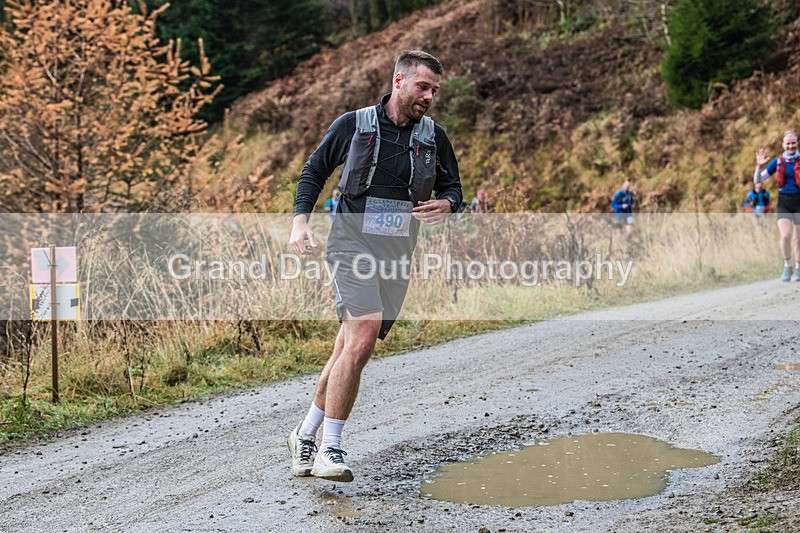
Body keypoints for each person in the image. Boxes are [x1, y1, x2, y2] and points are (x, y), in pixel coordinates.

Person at [287, 50, 462, 482]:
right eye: (423, 86)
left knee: (348, 346)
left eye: (435, 90)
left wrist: (448, 203)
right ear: (399, 81)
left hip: (398, 251)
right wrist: (299, 223)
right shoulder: (353, 124)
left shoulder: (434, 136)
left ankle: (304, 433)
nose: (429, 96)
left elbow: (453, 187)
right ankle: (331, 448)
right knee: (363, 335)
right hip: (350, 241)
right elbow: (313, 172)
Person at [755, 130, 800, 281]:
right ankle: (787, 265)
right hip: (784, 202)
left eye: (793, 143)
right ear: (783, 145)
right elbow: (758, 181)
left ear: (797, 143)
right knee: (785, 235)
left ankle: (798, 268)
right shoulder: (778, 162)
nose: (791, 146)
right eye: (788, 143)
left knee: (797, 237)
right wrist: (759, 166)